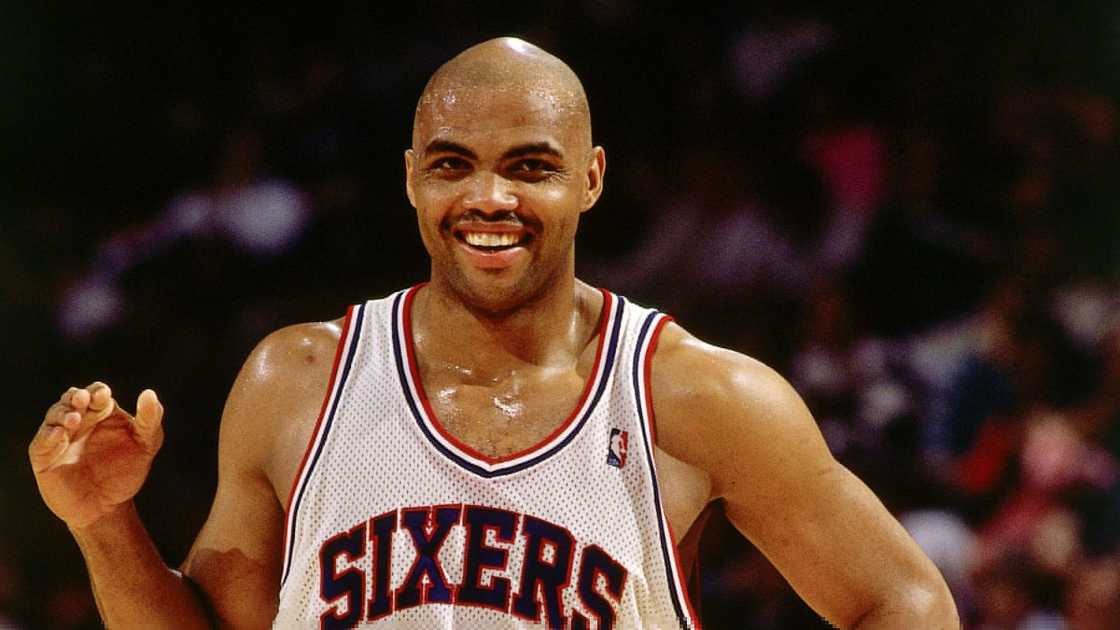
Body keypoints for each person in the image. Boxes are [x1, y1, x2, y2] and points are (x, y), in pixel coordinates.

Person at [28, 38, 958, 629]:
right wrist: (104, 524)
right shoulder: (296, 379)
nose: (488, 199)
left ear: (590, 179)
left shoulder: (697, 395)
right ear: (410, 180)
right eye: (452, 165)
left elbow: (907, 600)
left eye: (530, 167)